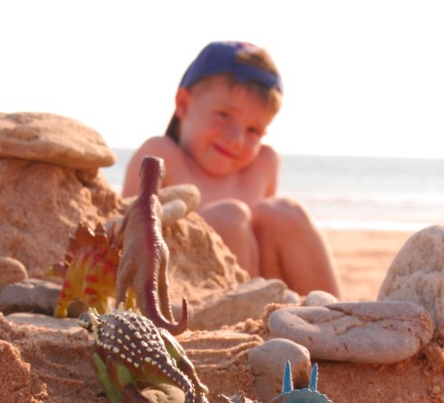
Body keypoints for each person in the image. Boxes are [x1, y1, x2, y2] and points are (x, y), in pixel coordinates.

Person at [122, 40, 342, 297]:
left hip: (259, 292)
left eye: (254, 130)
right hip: (188, 295)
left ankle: (337, 317)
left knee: (284, 212)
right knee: (231, 216)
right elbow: (126, 237)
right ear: (183, 104)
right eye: (224, 116)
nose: (237, 139)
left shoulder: (263, 164)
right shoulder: (161, 155)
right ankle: (237, 322)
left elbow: (268, 250)